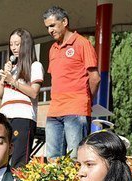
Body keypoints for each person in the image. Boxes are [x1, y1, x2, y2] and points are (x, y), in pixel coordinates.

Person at [43, 5, 100, 159]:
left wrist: (86, 101)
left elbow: (94, 78)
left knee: (76, 158)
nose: (50, 30)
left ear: (65, 22)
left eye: (53, 25)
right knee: (53, 160)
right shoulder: (53, 49)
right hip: (54, 111)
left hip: (76, 109)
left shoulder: (82, 43)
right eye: (48, 27)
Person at [0, 28, 44, 168]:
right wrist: (5, 75)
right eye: (11, 44)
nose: (14, 48)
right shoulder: (11, 68)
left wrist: (13, 81)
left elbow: (34, 93)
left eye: (17, 44)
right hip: (5, 115)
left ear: (26, 44)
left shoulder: (35, 66)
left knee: (19, 160)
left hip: (23, 116)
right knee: (2, 158)